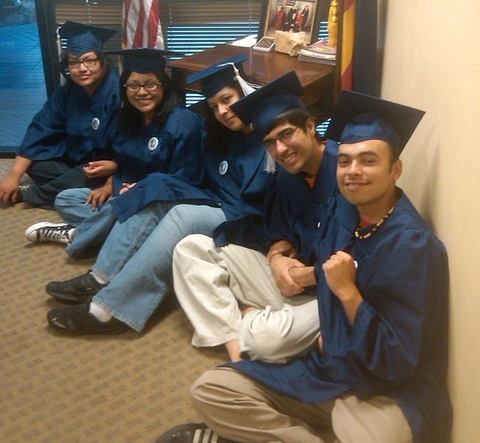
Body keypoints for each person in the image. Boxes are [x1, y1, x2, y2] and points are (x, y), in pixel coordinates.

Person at [156, 91, 452, 443]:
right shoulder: (344, 213)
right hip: (329, 370)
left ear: (396, 169)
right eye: (344, 162)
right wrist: (277, 258)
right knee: (212, 388)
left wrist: (346, 293)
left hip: (383, 391)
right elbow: (281, 236)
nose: (353, 172)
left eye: (368, 161)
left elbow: (397, 363)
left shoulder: (412, 245)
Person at [44, 55, 273, 335]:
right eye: (214, 106)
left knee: (175, 208)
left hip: (242, 218)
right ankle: (101, 276)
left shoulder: (271, 141)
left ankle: (109, 308)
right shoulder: (224, 134)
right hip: (214, 200)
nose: (223, 111)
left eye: (228, 100)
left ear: (246, 93)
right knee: (153, 189)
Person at [172, 70, 339, 363]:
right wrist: (277, 258)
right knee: (190, 250)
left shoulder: (346, 173)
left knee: (267, 341)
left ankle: (249, 313)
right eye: (270, 142)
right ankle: (235, 347)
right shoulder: (287, 175)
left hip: (331, 296)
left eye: (286, 134)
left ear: (310, 126)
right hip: (290, 281)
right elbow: (279, 234)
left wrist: (298, 273)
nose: (280, 150)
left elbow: (360, 263)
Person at [24, 47, 205, 245]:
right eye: (133, 85)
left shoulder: (182, 123)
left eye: (151, 84)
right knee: (66, 199)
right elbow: (125, 160)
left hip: (161, 199)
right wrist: (111, 183)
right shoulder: (128, 118)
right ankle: (118, 230)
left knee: (120, 207)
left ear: (163, 86)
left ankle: (78, 235)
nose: (142, 92)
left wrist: (141, 189)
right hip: (126, 190)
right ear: (124, 88)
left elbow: (187, 179)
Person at [0, 21, 120, 209]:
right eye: (74, 62)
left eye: (89, 60)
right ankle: (75, 188)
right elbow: (41, 127)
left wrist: (114, 173)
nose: (82, 68)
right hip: (76, 161)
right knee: (34, 164)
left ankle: (31, 194)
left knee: (86, 175)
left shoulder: (118, 93)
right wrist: (13, 175)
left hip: (109, 167)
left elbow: (133, 144)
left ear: (103, 63)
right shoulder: (68, 91)